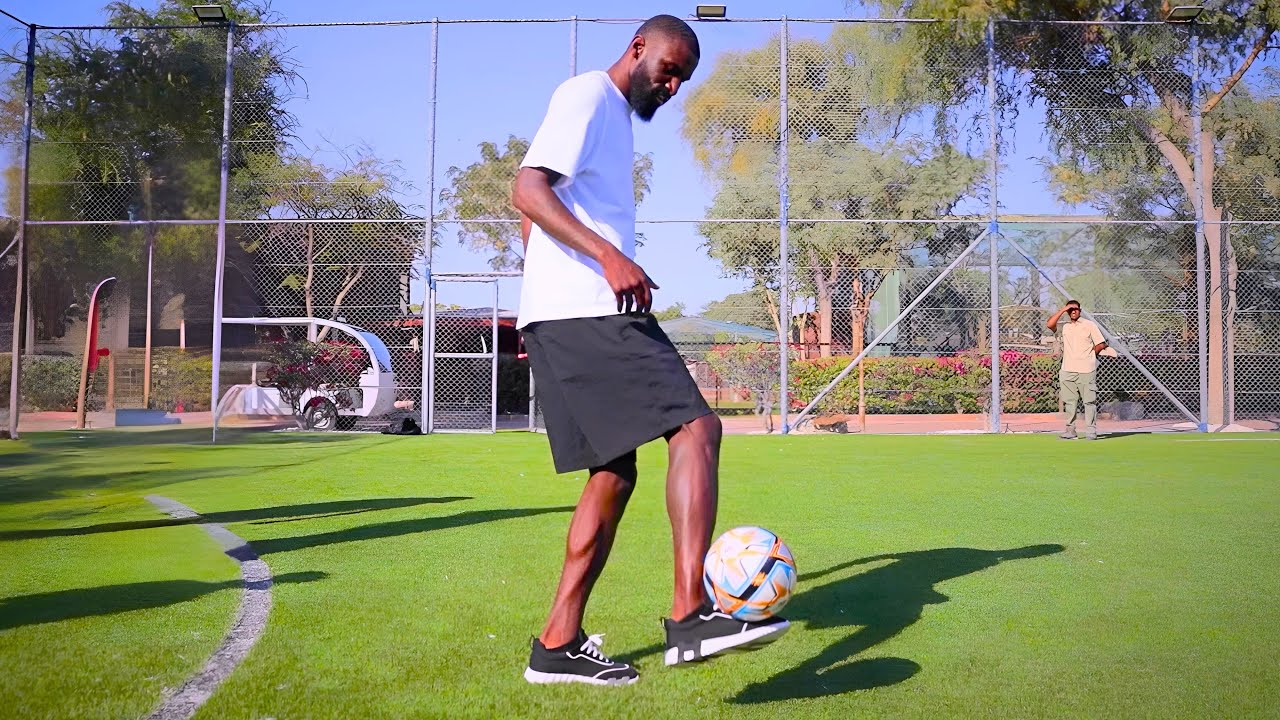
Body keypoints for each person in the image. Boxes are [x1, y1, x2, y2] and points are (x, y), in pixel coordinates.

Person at [512, 15, 788, 686]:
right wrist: (608, 258)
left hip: (563, 314)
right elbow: (526, 188)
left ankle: (557, 643)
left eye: (682, 80)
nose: (671, 85)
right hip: (590, 310)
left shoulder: (614, 118)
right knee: (697, 427)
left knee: (612, 475)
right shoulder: (587, 94)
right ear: (637, 48)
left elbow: (535, 213)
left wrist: (539, 311)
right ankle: (690, 616)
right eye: (667, 68)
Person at [1046, 300, 1108, 440]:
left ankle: (1091, 431)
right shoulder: (1065, 327)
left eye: (1076, 309)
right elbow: (1049, 324)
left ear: (1080, 310)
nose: (1073, 312)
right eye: (1070, 310)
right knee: (1070, 402)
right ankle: (1070, 430)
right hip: (1067, 370)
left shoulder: (1089, 325)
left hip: (1086, 370)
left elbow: (1101, 343)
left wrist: (1091, 355)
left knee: (1089, 402)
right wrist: (1062, 310)